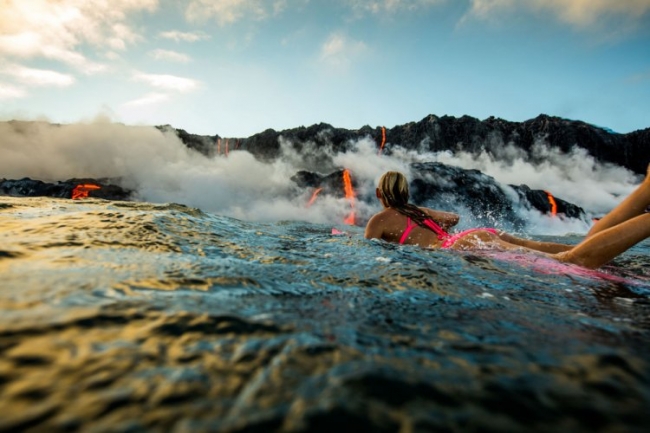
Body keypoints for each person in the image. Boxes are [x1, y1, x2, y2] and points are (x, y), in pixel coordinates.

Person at [364, 168, 650, 269]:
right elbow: (452, 218)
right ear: (405, 191)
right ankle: (645, 190)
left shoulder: (379, 220)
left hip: (464, 246)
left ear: (380, 192)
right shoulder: (417, 211)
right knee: (579, 249)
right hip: (476, 236)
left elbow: (368, 251)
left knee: (575, 261)